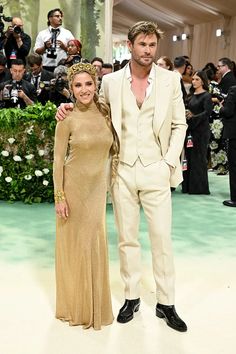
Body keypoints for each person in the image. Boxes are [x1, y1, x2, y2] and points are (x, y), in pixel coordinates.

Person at [56, 21, 188, 332]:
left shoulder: (170, 80)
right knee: (127, 239)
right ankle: (131, 297)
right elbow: (93, 109)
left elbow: (179, 125)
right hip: (123, 170)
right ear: (130, 46)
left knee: (161, 238)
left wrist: (169, 163)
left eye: (152, 45)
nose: (147, 50)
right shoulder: (112, 82)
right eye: (142, 44)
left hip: (157, 169)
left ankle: (166, 302)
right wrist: (66, 108)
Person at [53, 62, 119, 329]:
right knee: (78, 247)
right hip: (74, 188)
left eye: (88, 84)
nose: (84, 90)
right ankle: (78, 308)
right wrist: (59, 196)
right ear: (71, 89)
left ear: (96, 84)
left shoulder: (106, 113)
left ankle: (94, 305)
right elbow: (58, 160)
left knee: (95, 243)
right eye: (78, 85)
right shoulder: (66, 119)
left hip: (97, 190)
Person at [182, 70, 212, 194]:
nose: (194, 81)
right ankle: (188, 186)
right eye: (193, 79)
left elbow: (207, 113)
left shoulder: (206, 96)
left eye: (197, 79)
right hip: (190, 131)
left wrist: (193, 117)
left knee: (199, 158)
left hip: (200, 131)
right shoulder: (191, 95)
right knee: (188, 158)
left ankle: (199, 188)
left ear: (202, 81)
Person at [219, 85, 236, 207]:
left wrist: (221, 107)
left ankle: (234, 198)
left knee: (234, 166)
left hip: (234, 133)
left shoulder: (233, 90)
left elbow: (228, 111)